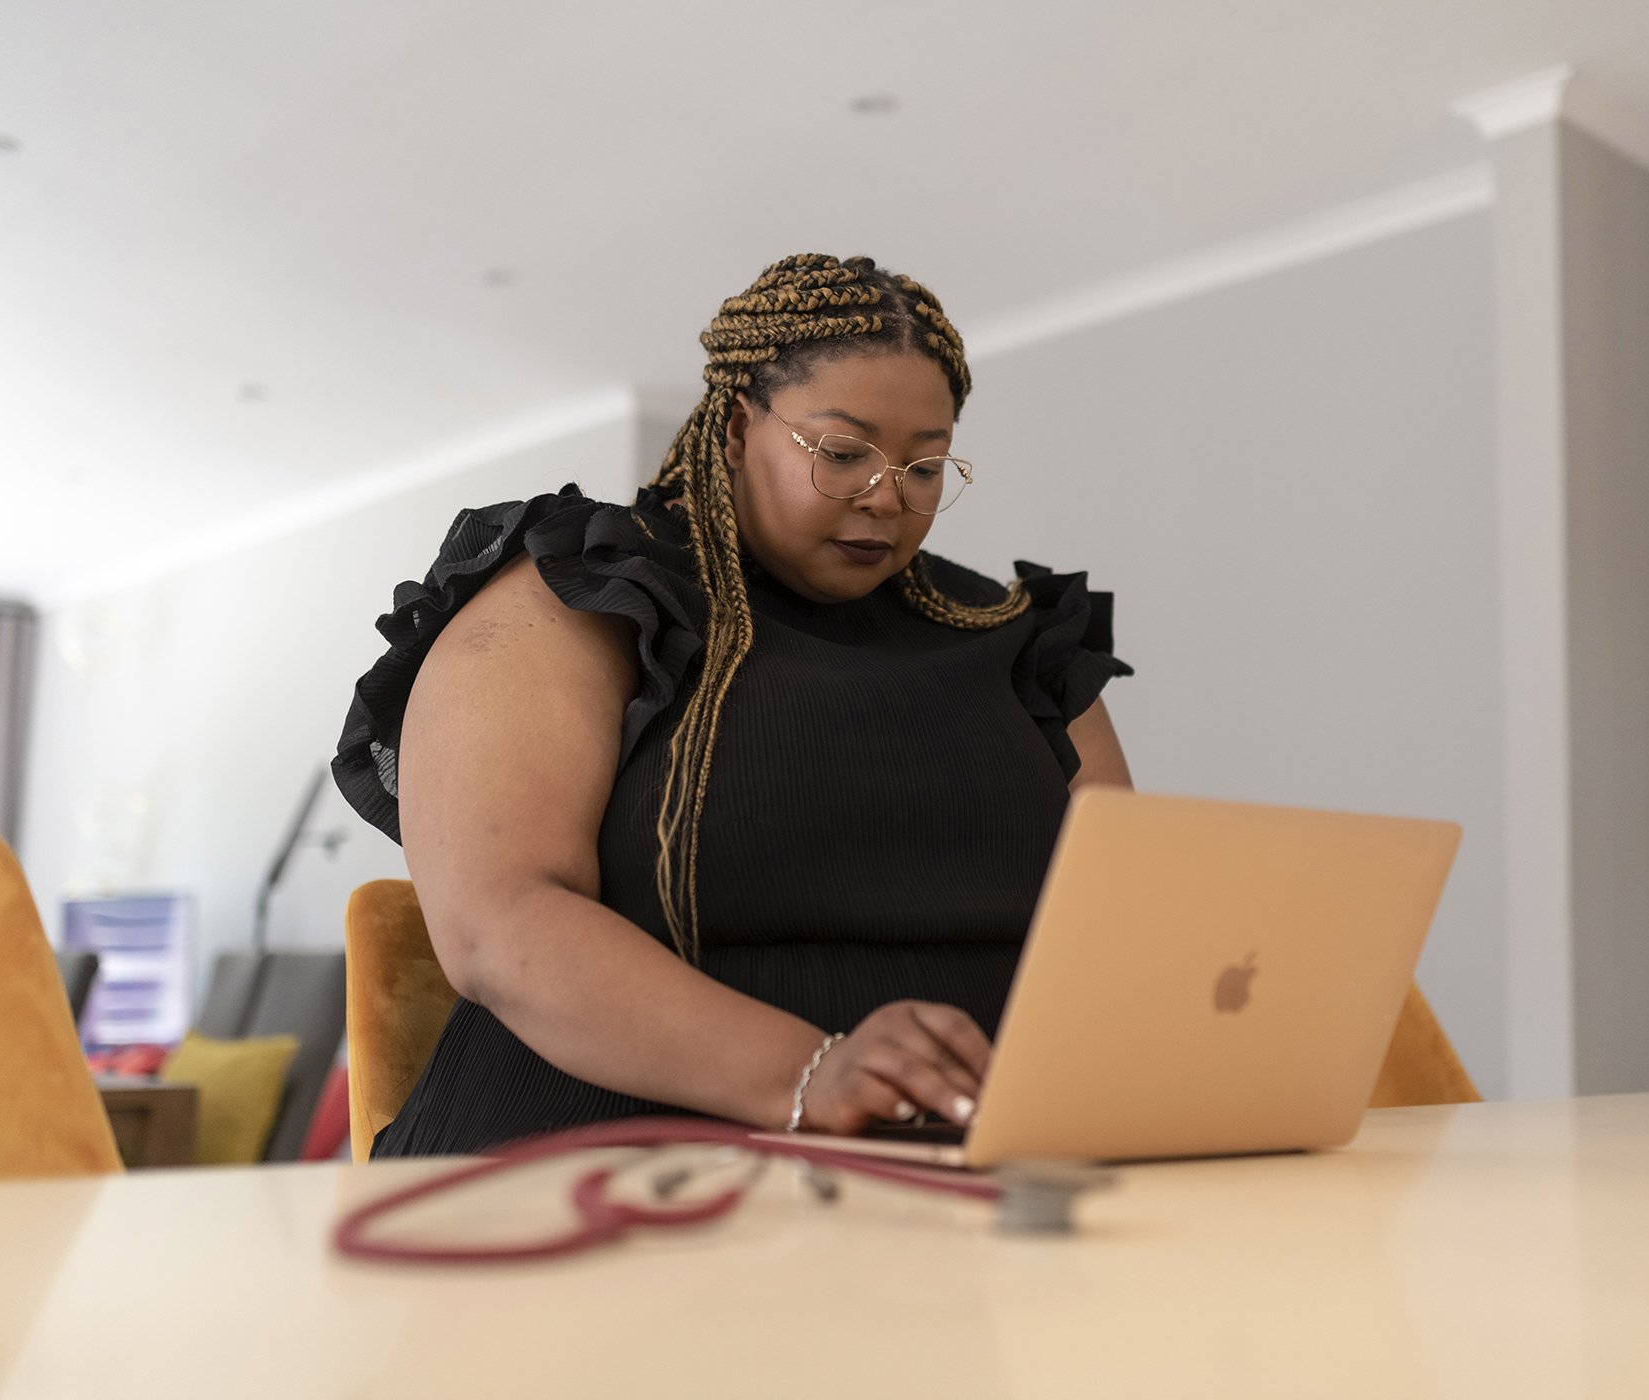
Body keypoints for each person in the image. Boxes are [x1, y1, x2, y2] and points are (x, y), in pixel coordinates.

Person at [333, 253, 1133, 1157]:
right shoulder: (580, 596)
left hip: (979, 1164)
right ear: (733, 430)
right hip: (602, 1161)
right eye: (842, 453)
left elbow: (1121, 916)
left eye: (925, 467)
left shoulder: (1015, 636)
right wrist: (808, 1072)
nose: (886, 497)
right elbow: (498, 922)